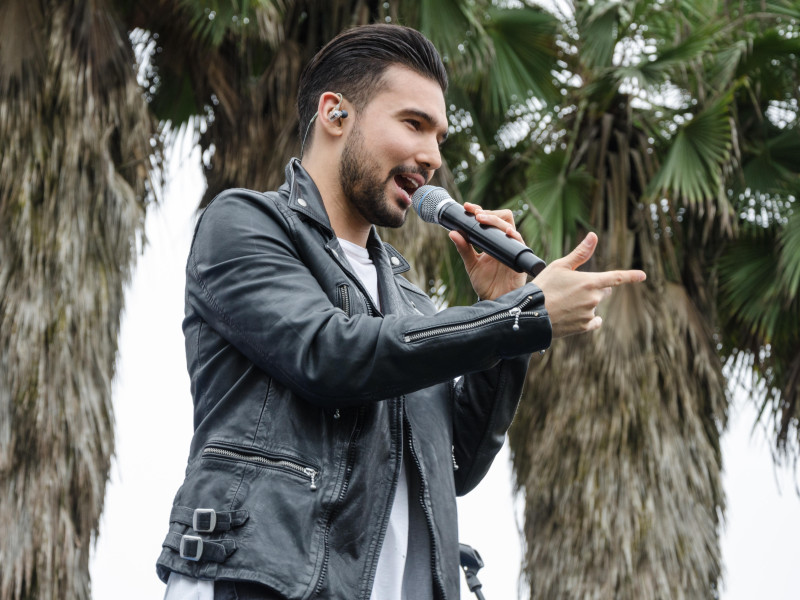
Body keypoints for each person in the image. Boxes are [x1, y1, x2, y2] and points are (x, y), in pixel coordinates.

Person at [156, 23, 645, 600]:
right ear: (336, 114)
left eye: (439, 136)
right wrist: (522, 315)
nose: (432, 156)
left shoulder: (406, 299)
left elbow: (454, 465)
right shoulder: (245, 225)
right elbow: (330, 355)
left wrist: (501, 309)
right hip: (266, 583)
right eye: (413, 124)